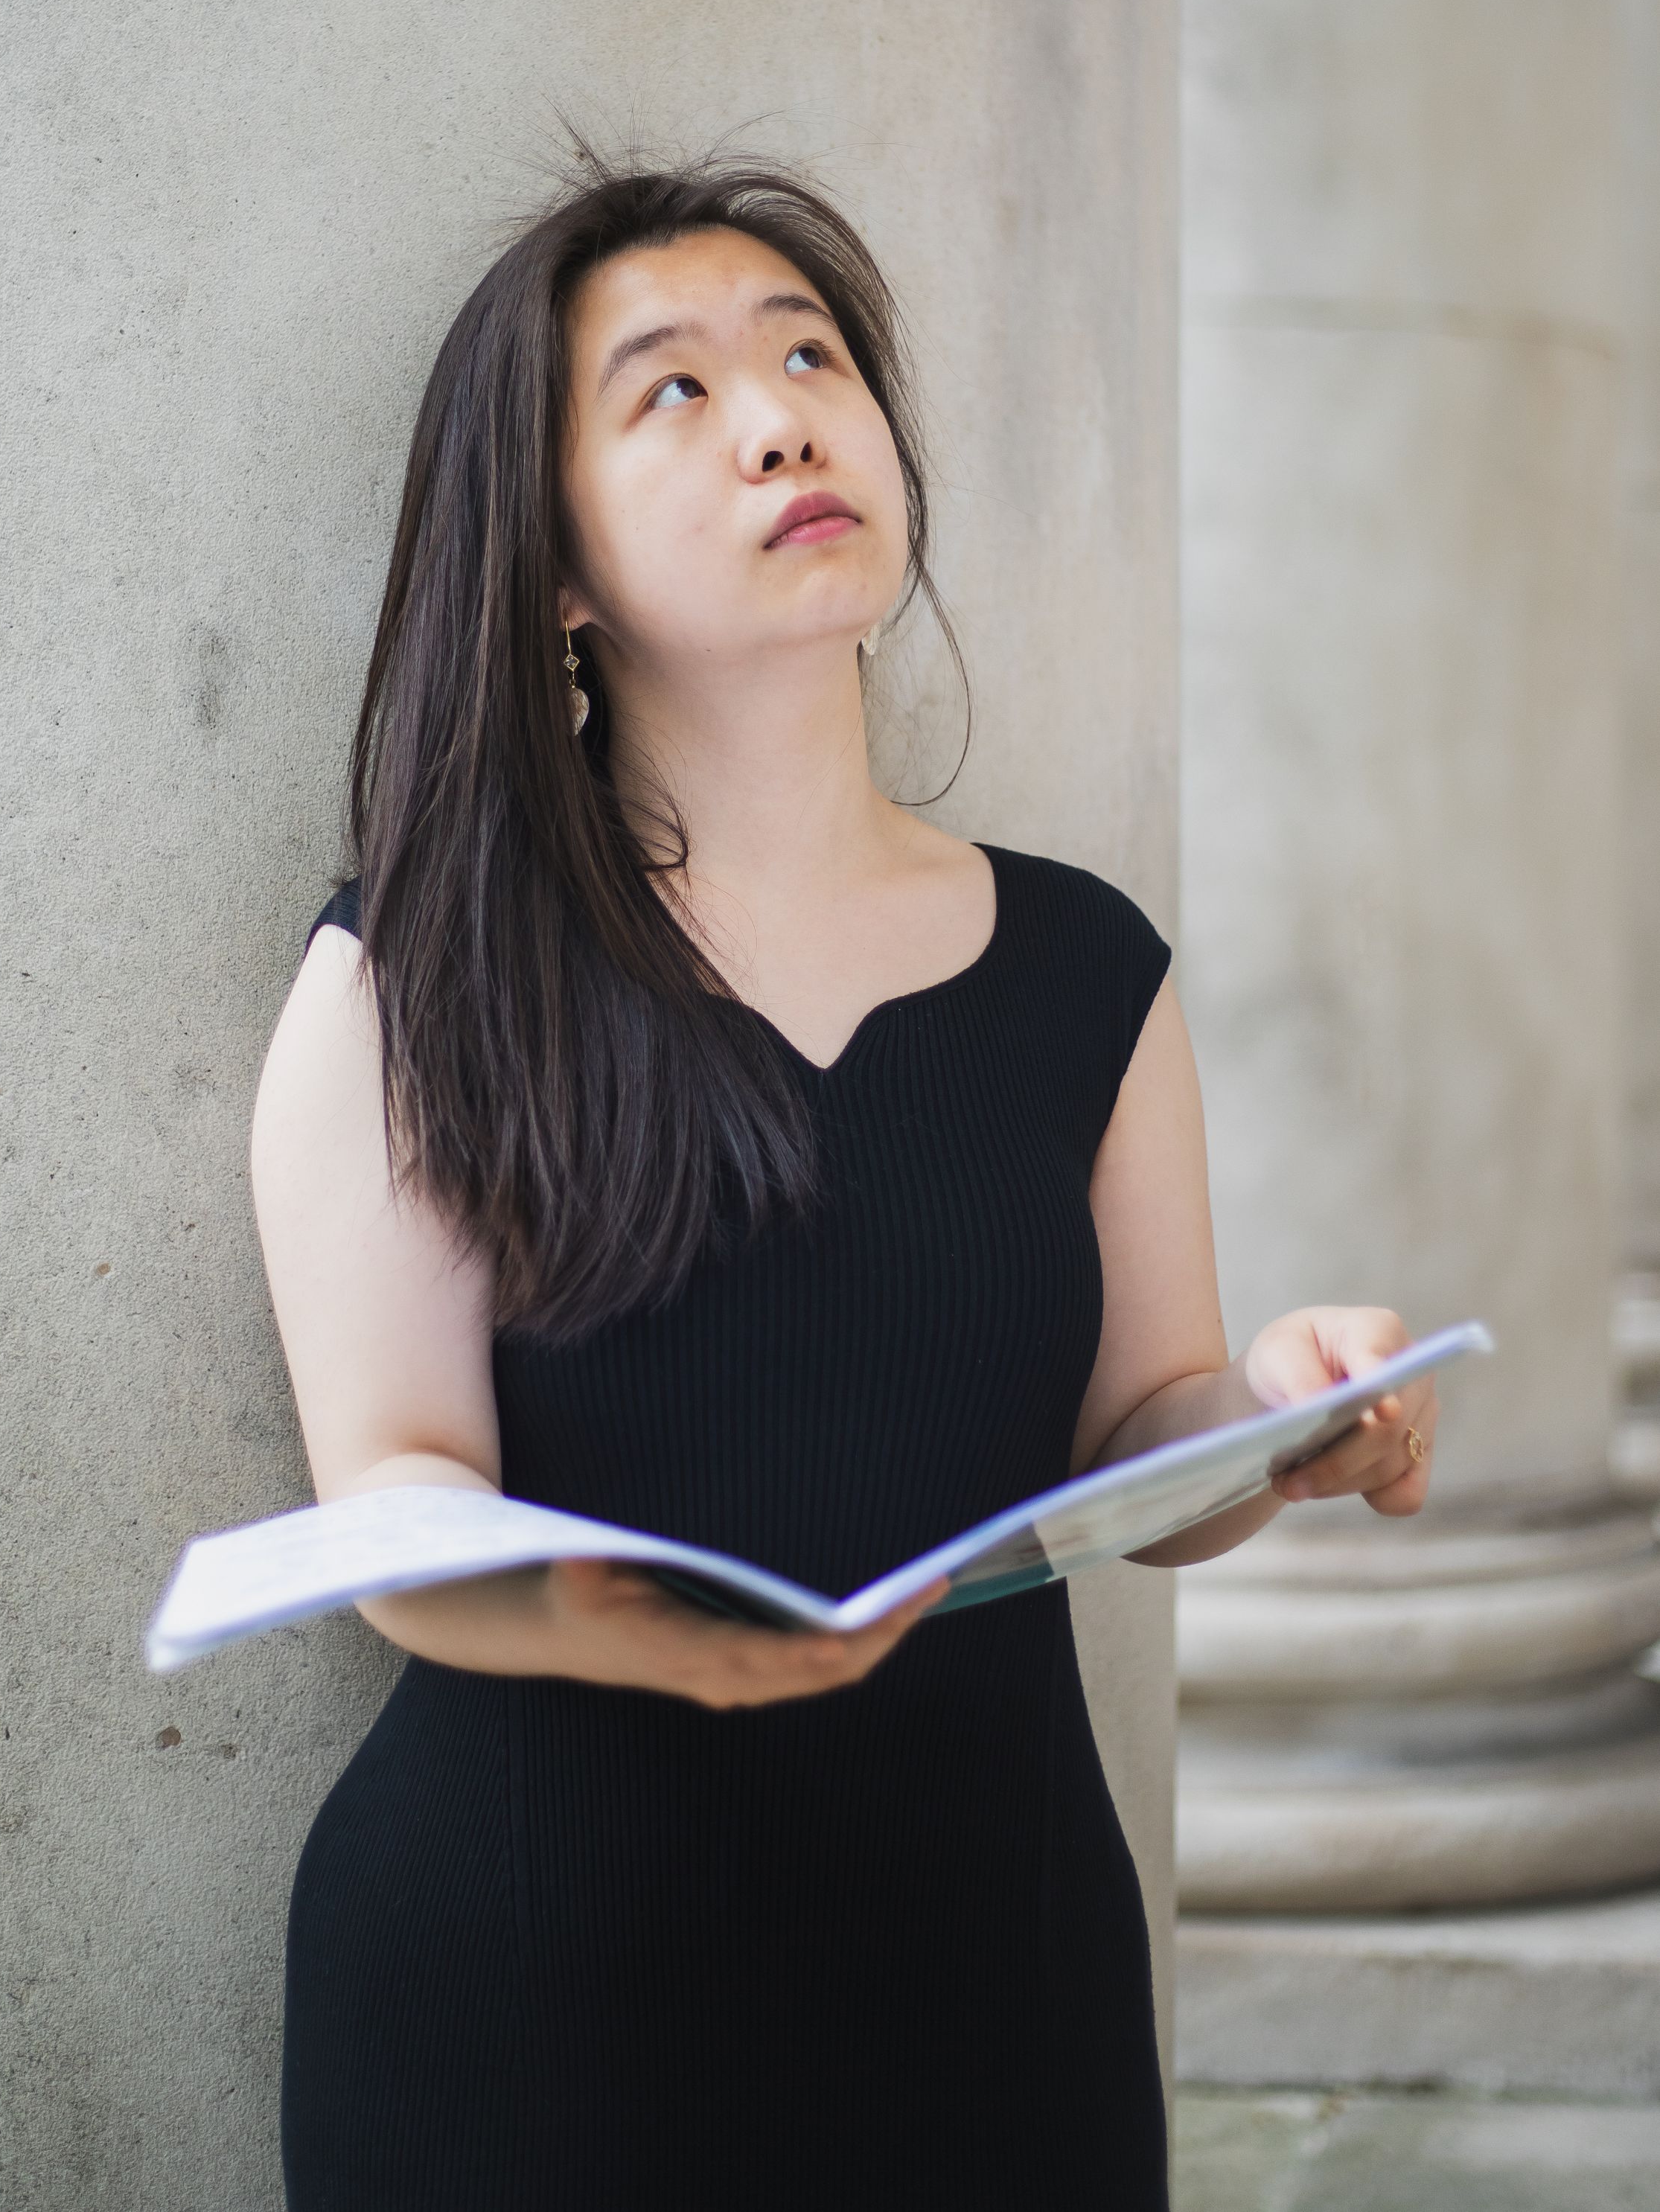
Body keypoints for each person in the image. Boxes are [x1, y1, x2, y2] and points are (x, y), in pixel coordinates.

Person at [252, 157, 1438, 2211]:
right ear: (549, 568)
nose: (784, 416)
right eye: (673, 393)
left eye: (809, 355)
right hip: (535, 1990)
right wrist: (645, 1614)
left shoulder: (1084, 966)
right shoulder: (414, 970)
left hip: (994, 1967)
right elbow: (390, 1488)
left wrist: (1280, 1411)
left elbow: (1137, 1440)